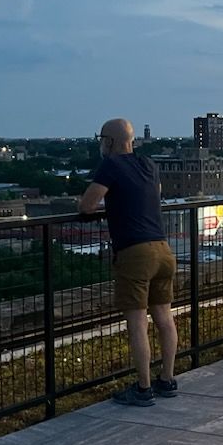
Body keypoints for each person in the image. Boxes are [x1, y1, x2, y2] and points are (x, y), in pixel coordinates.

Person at [79, 118, 178, 407]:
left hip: (135, 253)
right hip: (163, 249)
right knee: (164, 319)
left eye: (102, 139)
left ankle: (143, 388)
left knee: (137, 323)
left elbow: (87, 205)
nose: (101, 144)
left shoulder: (111, 165)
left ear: (109, 141)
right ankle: (167, 379)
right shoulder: (149, 164)